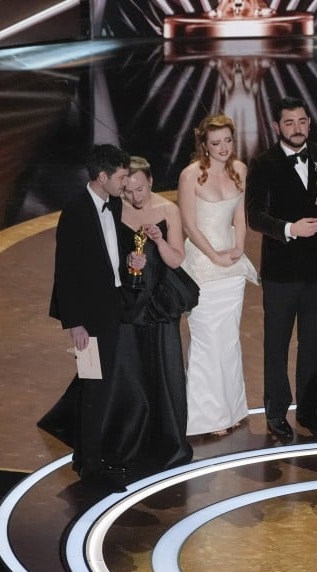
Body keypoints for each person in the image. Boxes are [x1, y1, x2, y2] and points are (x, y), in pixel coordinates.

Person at [246, 96, 317, 441]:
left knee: (314, 346)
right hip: (280, 274)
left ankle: (307, 410)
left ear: (309, 122)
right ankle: (277, 413)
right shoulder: (262, 163)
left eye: (302, 121)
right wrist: (291, 229)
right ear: (276, 127)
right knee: (276, 346)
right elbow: (255, 216)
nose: (296, 128)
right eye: (288, 123)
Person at [38, 144, 139, 490]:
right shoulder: (76, 212)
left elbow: (114, 250)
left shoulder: (113, 203)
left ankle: (86, 456)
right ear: (102, 177)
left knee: (98, 385)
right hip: (88, 320)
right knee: (94, 388)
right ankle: (92, 467)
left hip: (111, 308)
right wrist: (76, 324)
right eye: (122, 177)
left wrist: (131, 261)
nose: (125, 183)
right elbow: (65, 273)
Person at [178, 113, 259, 437]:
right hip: (203, 264)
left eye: (228, 141)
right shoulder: (190, 175)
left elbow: (240, 215)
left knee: (228, 341)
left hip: (232, 267)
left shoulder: (239, 170)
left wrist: (239, 247)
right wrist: (214, 256)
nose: (223, 148)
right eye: (216, 143)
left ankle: (233, 409)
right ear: (203, 144)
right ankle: (207, 417)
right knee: (207, 341)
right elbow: (188, 224)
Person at [119, 155, 198, 472]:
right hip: (127, 299)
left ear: (150, 181)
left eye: (139, 189)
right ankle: (130, 439)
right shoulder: (116, 209)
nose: (135, 197)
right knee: (130, 371)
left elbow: (176, 260)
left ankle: (166, 441)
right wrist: (128, 262)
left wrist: (159, 240)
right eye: (128, 191)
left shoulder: (169, 210)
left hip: (158, 301)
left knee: (162, 370)